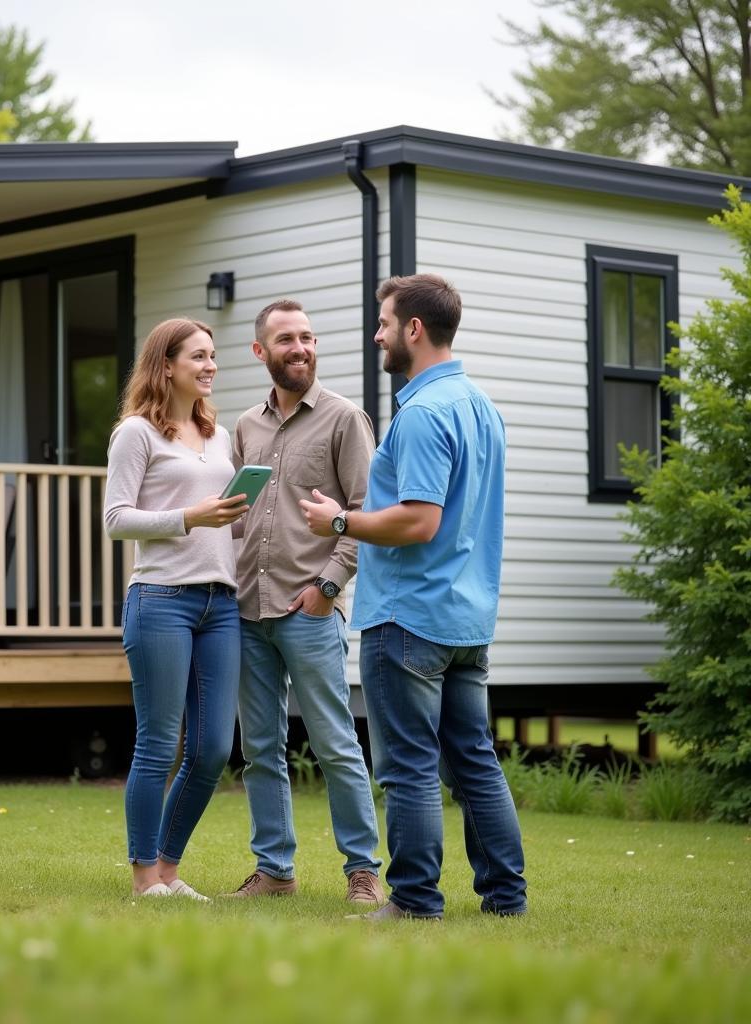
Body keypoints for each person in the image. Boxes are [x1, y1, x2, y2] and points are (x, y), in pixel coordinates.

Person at [300, 274, 527, 920]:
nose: (378, 334)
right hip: (466, 620)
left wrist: (339, 521)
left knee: (410, 768)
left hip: (408, 620)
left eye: (384, 323)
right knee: (475, 763)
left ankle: (415, 900)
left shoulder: (424, 413)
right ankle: (506, 899)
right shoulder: (483, 407)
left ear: (415, 330)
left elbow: (419, 520)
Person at [223, 299, 384, 904]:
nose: (301, 348)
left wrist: (327, 588)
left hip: (309, 609)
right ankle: (275, 871)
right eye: (286, 339)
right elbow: (236, 516)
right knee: (260, 748)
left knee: (335, 743)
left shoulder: (345, 420)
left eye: (308, 337)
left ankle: (362, 871)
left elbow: (366, 515)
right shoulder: (246, 426)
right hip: (246, 610)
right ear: (261, 352)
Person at [104, 317, 248, 900]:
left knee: (214, 746)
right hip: (161, 598)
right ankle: (144, 878)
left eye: (213, 356)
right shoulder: (136, 433)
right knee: (159, 743)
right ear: (166, 365)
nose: (210, 366)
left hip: (221, 601)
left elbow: (224, 513)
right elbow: (116, 519)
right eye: (198, 357)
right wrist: (190, 517)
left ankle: (168, 868)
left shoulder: (217, 435)